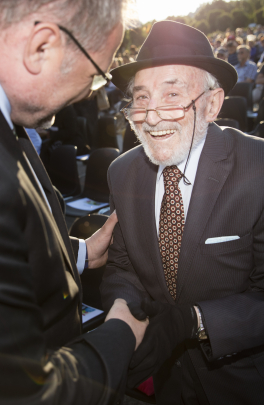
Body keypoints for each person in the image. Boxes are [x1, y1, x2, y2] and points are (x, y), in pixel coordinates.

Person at [101, 20, 264, 405]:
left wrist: (192, 321)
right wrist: (121, 321)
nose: (153, 115)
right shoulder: (122, 172)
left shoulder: (263, 169)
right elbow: (123, 267)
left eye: (172, 94)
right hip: (169, 381)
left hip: (246, 384)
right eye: (141, 98)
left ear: (212, 104)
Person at [0, 1, 149, 404]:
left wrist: (80, 254)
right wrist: (120, 332)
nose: (89, 92)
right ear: (41, 48)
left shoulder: (14, 125)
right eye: (98, 76)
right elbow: (25, 392)